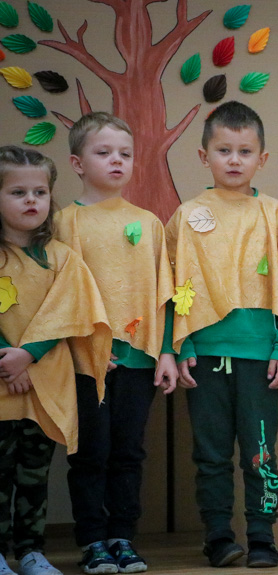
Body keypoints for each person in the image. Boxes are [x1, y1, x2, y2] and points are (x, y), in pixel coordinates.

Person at [166, 100, 278, 569]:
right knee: (211, 455)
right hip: (204, 355)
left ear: (262, 158)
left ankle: (262, 536)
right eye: (224, 150)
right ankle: (218, 537)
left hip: (260, 355)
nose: (234, 160)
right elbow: (175, 287)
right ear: (205, 156)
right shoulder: (186, 215)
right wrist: (179, 345)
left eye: (245, 151)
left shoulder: (275, 214)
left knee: (260, 454)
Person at [55, 112, 177, 574]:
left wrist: (166, 350)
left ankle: (123, 536)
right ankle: (92, 541)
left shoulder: (148, 223)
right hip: (86, 363)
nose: (116, 161)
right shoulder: (65, 223)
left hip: (139, 360)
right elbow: (59, 298)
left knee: (129, 451)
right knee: (90, 452)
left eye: (125, 153)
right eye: (103, 153)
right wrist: (79, 350)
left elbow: (162, 291)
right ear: (77, 162)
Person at [0, 145, 111, 575]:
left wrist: (27, 356)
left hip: (44, 383)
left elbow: (70, 312)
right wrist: (7, 360)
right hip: (4, 383)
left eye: (40, 192)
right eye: (18, 192)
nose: (32, 201)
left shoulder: (62, 259)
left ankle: (30, 551)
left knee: (33, 474)